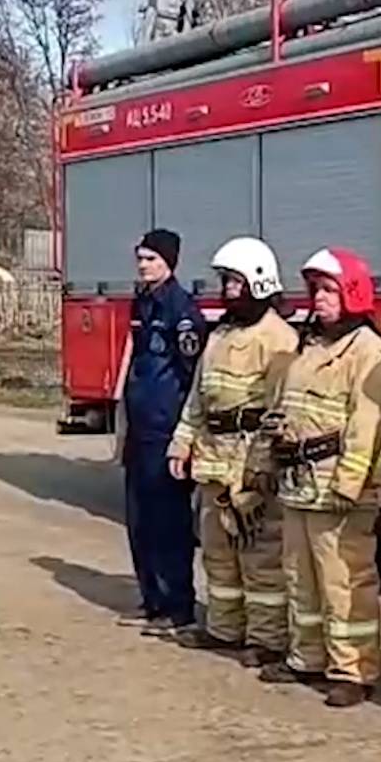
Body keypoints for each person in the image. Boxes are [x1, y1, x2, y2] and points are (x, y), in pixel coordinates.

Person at [256, 247, 381, 708]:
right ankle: (307, 656)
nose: (319, 299)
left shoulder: (369, 351)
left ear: (352, 293)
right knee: (301, 576)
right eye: (316, 290)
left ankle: (353, 670)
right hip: (300, 483)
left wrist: (350, 483)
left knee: (344, 582)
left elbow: (370, 424)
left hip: (336, 486)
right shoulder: (309, 346)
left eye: (329, 290)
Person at [167, 237, 298, 667]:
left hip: (249, 464)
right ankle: (224, 628)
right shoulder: (220, 335)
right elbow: (198, 399)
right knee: (217, 552)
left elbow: (280, 410)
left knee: (261, 556)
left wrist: (260, 471)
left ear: (259, 284)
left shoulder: (279, 339)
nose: (227, 290)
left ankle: (266, 639)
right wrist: (182, 442)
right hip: (213, 460)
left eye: (235, 283)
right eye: (226, 282)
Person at [120, 228, 204, 637]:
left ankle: (178, 606)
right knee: (140, 520)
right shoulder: (142, 304)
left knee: (170, 522)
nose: (142, 264)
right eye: (140, 257)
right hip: (139, 430)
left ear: (169, 262)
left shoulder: (181, 310)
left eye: (150, 258)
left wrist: (185, 440)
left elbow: (192, 379)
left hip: (165, 432)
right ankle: (152, 599)